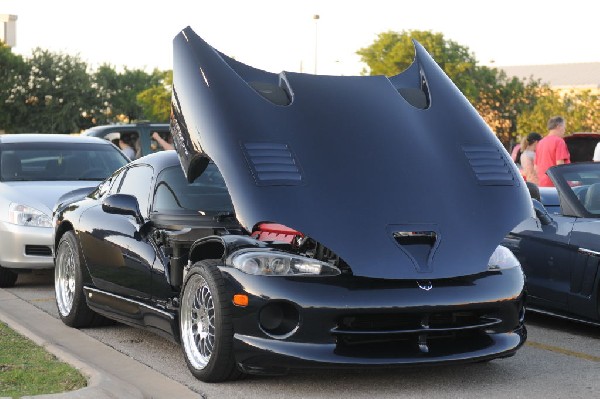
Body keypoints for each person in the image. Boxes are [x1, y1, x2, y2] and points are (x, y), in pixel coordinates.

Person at [534, 116, 570, 187]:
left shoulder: (540, 143)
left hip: (542, 184)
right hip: (555, 184)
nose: (564, 130)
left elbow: (536, 167)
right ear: (558, 126)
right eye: (564, 127)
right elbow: (560, 165)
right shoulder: (559, 141)